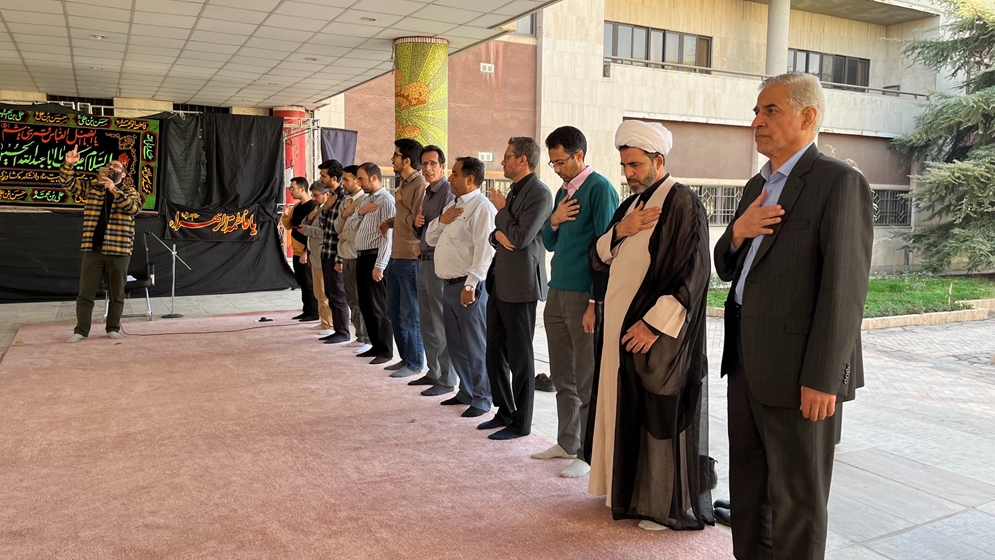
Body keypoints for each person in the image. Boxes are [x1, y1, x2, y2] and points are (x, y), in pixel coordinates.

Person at [715, 73, 872, 559]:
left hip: (801, 372)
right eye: (756, 112)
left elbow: (844, 290)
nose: (757, 122)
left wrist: (824, 377)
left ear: (808, 117)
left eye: (771, 111)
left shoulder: (838, 182)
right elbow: (725, 266)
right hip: (746, 364)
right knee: (750, 491)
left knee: (797, 502)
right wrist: (737, 232)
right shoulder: (756, 186)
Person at [588, 120, 712, 531]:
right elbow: (597, 258)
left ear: (659, 160)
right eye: (624, 166)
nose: (628, 173)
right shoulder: (629, 207)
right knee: (622, 408)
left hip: (656, 335)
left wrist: (653, 326)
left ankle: (662, 504)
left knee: (659, 414)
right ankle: (625, 491)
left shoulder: (683, 203)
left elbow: (695, 274)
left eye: (636, 165)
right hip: (617, 331)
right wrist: (620, 231)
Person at [533, 126, 619, 478]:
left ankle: (588, 452)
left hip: (585, 294)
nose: (556, 169)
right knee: (562, 373)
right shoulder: (562, 191)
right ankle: (567, 441)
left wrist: (595, 302)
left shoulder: (600, 189)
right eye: (552, 164)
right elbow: (550, 242)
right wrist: (553, 220)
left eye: (560, 162)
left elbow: (607, 249)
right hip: (557, 289)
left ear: (579, 155)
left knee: (586, 376)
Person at [478, 137, 553, 440]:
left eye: (507, 156)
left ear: (523, 160)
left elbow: (520, 237)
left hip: (521, 284)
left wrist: (501, 212)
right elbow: (499, 235)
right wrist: (498, 234)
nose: (502, 162)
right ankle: (505, 411)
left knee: (521, 358)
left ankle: (521, 423)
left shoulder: (540, 193)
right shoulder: (514, 191)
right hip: (500, 280)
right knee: (494, 350)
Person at [424, 157, 496, 418]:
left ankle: (483, 397)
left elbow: (485, 250)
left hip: (468, 286)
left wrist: (471, 284)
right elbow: (430, 238)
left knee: (475, 345)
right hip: (449, 284)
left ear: (470, 179)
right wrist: (442, 220)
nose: (450, 177)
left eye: (455, 173)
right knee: (456, 343)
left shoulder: (482, 208)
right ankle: (466, 390)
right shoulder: (453, 205)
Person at [62, 149, 141, 343]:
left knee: (116, 293)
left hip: (119, 250)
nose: (112, 167)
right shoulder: (93, 187)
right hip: (93, 249)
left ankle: (113, 328)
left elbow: (133, 208)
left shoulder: (130, 191)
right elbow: (68, 183)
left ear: (123, 175)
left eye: (117, 166)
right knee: (85, 292)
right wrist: (69, 164)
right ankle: (81, 331)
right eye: (110, 165)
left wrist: (114, 190)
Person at [409, 145, 458, 397]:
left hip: (438, 263)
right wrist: (416, 225)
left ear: (443, 166)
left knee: (440, 322)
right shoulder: (427, 192)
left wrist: (422, 242)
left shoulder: (448, 192)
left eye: (432, 164)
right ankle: (434, 370)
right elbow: (424, 228)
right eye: (424, 164)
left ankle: (448, 378)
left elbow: (447, 230)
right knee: (426, 319)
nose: (427, 168)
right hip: (424, 261)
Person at [378, 138, 427, 377]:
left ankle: (415, 363)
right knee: (393, 311)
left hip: (410, 257)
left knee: (410, 313)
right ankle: (405, 358)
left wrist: (400, 205)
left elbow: (418, 223)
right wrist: (389, 222)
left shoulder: (420, 185)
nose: (392, 159)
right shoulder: (403, 185)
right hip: (396, 255)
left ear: (407, 160)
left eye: (395, 155)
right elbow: (404, 217)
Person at [347, 163, 396, 365]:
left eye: (361, 178)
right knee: (365, 304)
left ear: (374, 178)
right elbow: (351, 225)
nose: (359, 183)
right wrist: (361, 212)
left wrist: (380, 265)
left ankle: (385, 350)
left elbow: (388, 236)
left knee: (378, 306)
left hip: (375, 257)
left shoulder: (387, 201)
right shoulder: (366, 200)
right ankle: (375, 345)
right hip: (361, 256)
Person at [335, 165, 372, 354]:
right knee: (351, 299)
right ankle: (360, 335)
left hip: (358, 255)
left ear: (357, 181)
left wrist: (345, 235)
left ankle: (368, 338)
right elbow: (337, 227)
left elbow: (360, 230)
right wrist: (345, 213)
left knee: (361, 299)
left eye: (346, 179)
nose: (343, 183)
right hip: (346, 255)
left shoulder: (365, 200)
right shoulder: (346, 201)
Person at [316, 159, 350, 344]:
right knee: (330, 293)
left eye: (324, 176)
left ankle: (343, 332)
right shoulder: (330, 197)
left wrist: (340, 259)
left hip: (336, 253)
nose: (321, 179)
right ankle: (337, 329)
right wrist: (326, 208)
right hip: (326, 251)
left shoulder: (344, 198)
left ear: (334, 178)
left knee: (338, 294)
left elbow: (343, 230)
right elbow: (323, 225)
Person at [299, 180, 336, 337]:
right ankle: (324, 321)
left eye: (316, 195)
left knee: (325, 292)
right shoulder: (318, 208)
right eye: (313, 195)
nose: (313, 198)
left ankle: (330, 324)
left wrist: (308, 229)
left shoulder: (330, 209)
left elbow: (326, 232)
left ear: (326, 194)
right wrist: (309, 219)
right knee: (318, 292)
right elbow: (303, 224)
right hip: (314, 254)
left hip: (323, 253)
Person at [281, 177, 319, 322]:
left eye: (293, 188)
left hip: (306, 250)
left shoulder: (312, 206)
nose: (291, 191)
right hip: (296, 250)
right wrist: (286, 215)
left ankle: (314, 312)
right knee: (302, 282)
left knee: (309, 283)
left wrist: (305, 251)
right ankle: (306, 310)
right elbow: (288, 226)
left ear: (302, 189)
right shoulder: (297, 206)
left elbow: (311, 230)